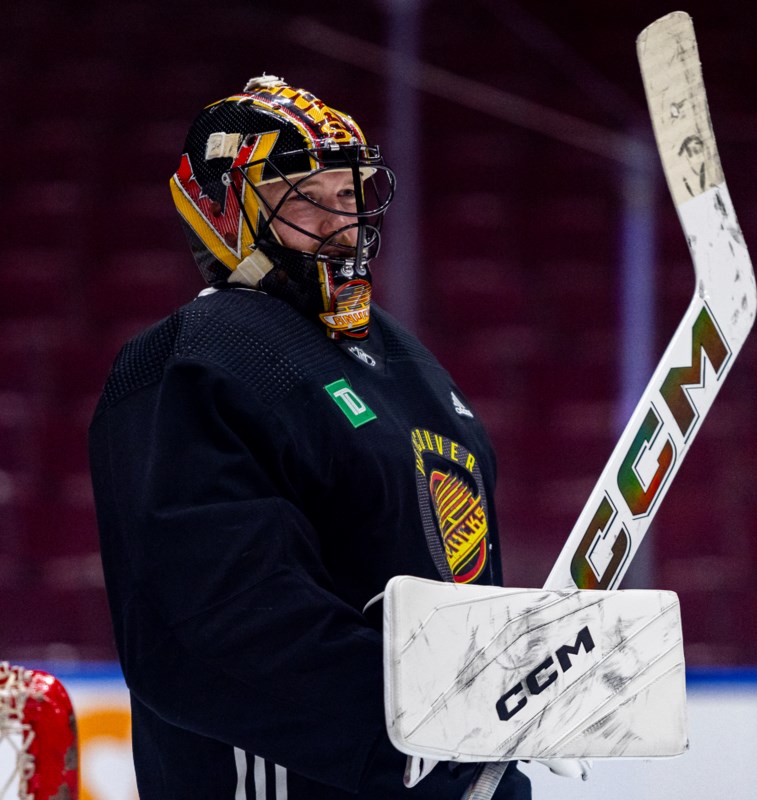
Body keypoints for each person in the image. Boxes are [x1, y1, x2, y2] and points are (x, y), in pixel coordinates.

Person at [89, 75, 531, 799]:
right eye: (303, 198)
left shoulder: (408, 363)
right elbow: (216, 628)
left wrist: (518, 703)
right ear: (223, 209)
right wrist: (426, 744)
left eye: (347, 195)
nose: (340, 224)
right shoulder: (197, 358)